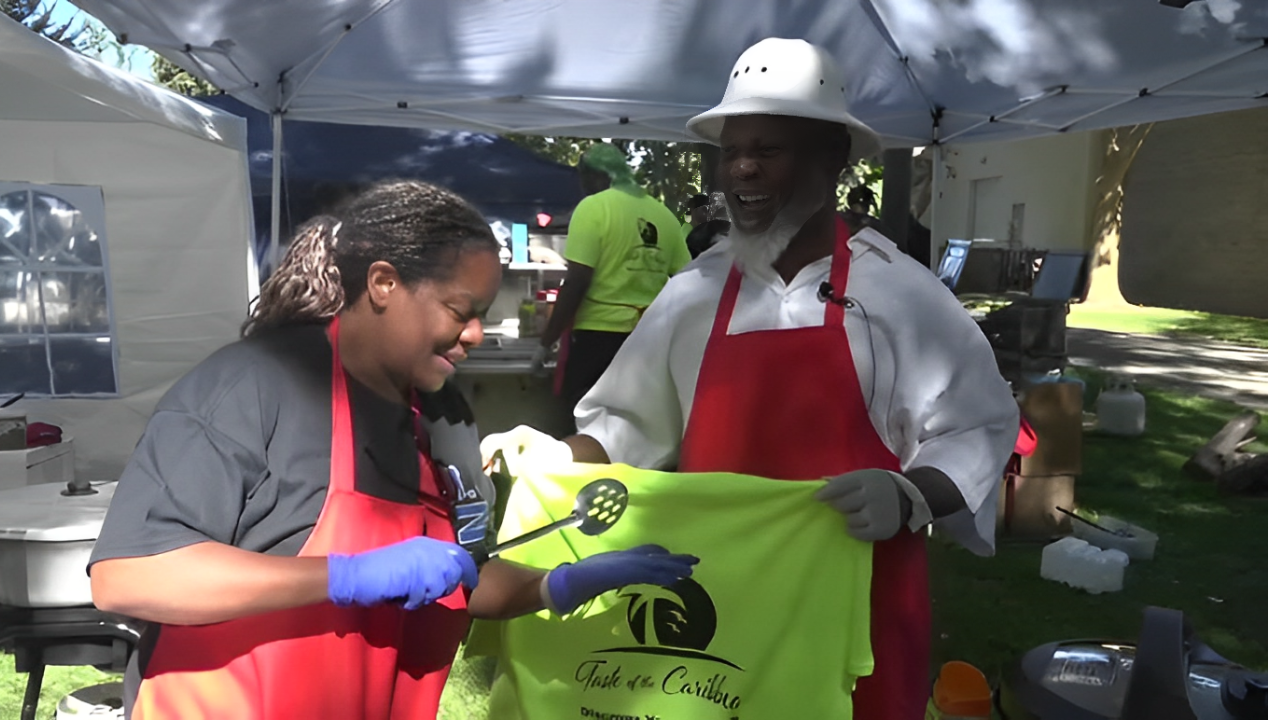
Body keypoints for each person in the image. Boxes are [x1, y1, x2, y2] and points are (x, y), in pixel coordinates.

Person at [486, 38, 1018, 720]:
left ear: (832, 158)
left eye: (768, 150)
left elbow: (979, 424)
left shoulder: (901, 295)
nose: (741, 169)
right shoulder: (693, 294)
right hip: (726, 609)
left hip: (863, 601)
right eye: (731, 151)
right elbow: (625, 427)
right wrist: (556, 457)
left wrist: (909, 494)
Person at [87, 180, 698, 720]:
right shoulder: (252, 386)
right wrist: (346, 576)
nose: (477, 335)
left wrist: (556, 585)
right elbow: (131, 575)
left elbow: (462, 577)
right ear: (383, 283)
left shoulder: (444, 416)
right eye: (461, 311)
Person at [531, 144, 690, 420]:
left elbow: (577, 281)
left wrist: (547, 342)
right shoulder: (663, 214)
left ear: (597, 177)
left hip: (598, 339)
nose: (583, 187)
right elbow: (687, 280)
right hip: (649, 340)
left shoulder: (593, 208)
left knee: (586, 422)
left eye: (584, 178)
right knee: (636, 424)